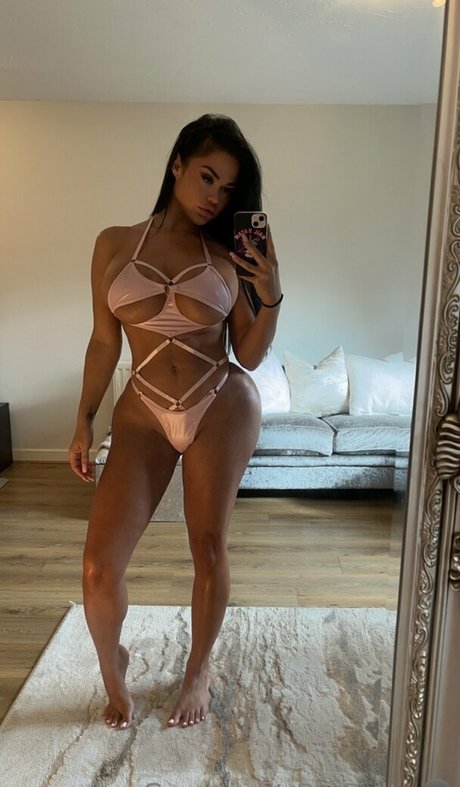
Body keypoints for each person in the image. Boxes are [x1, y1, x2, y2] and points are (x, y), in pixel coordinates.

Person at [68, 114, 282, 731]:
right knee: (98, 569)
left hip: (221, 402)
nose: (214, 196)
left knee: (208, 546)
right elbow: (104, 342)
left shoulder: (230, 252)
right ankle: (114, 669)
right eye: (207, 177)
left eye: (227, 189)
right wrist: (84, 419)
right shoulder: (113, 243)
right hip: (142, 410)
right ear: (177, 164)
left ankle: (198, 669)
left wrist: (270, 292)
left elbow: (250, 354)